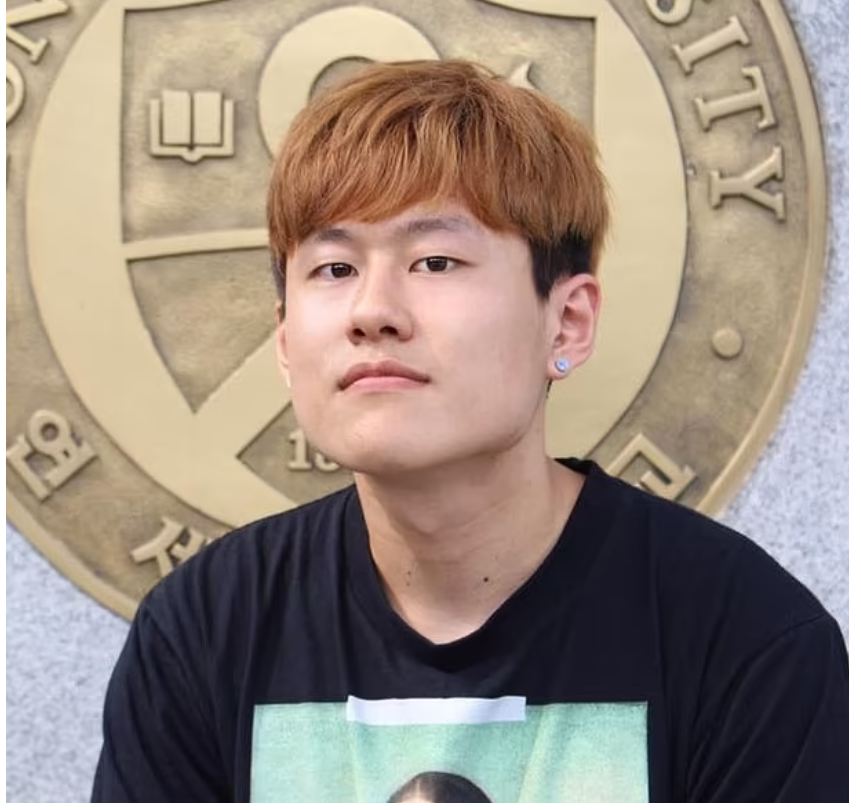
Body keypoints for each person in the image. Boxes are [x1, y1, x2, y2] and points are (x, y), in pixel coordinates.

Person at [91, 59, 848, 802]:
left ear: (567, 321)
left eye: (435, 261)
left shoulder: (743, 640)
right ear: (286, 341)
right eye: (334, 269)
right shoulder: (206, 630)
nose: (372, 311)